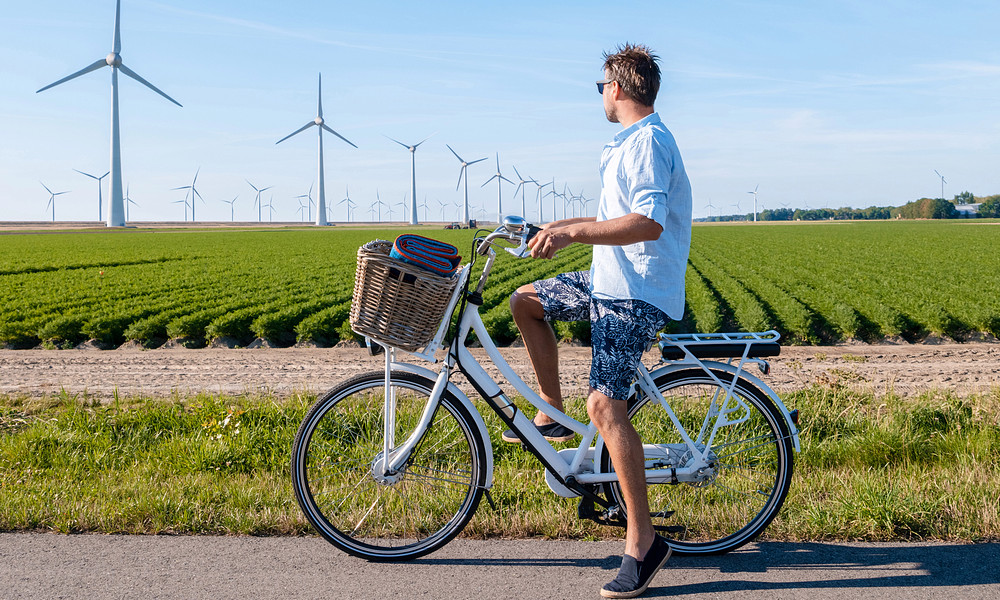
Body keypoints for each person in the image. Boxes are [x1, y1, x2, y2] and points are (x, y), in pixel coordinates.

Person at [503, 43, 692, 598]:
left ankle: (644, 543)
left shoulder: (650, 142)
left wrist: (576, 233)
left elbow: (648, 223)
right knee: (525, 302)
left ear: (619, 88)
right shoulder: (626, 144)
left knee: (607, 406)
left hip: (634, 291)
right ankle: (553, 414)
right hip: (608, 279)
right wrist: (553, 226)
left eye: (601, 86)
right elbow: (610, 218)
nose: (601, 95)